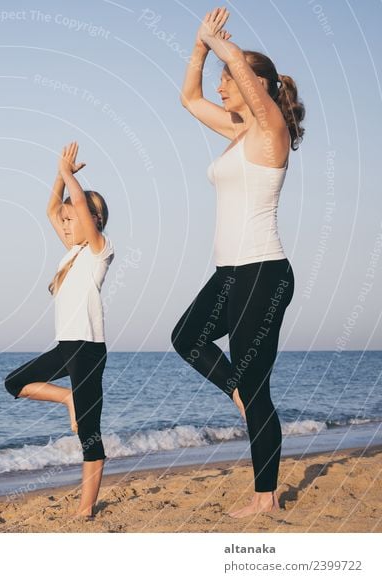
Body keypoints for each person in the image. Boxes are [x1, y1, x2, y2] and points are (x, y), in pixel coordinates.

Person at [171, 7, 305, 518]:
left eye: (230, 78)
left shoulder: (271, 130)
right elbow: (188, 98)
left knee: (258, 383)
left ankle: (265, 496)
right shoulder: (238, 132)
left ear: (259, 85)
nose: (222, 85)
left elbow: (250, 88)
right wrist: (201, 48)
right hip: (232, 271)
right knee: (188, 337)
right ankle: (241, 396)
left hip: (264, 271)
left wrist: (224, 47)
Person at [4, 141, 114, 521]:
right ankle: (67, 399)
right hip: (66, 347)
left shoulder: (99, 251)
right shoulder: (69, 252)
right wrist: (58, 175)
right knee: (15, 383)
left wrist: (70, 178)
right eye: (65, 222)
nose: (66, 225)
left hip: (88, 349)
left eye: (74, 220)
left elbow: (78, 205)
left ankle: (86, 508)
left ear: (94, 222)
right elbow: (52, 208)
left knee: (90, 436)